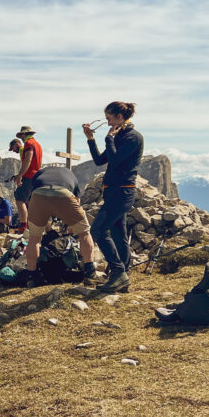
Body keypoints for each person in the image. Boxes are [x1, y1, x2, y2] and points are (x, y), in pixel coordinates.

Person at [83, 101, 144, 293]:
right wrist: (91, 139)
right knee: (119, 235)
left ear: (119, 117)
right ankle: (123, 278)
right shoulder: (121, 136)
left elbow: (116, 162)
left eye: (109, 119)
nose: (108, 124)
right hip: (114, 191)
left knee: (98, 230)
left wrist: (109, 139)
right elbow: (100, 160)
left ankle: (118, 271)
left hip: (122, 191)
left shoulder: (133, 137)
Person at [21, 164, 98, 285]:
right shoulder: (70, 174)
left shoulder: (39, 174)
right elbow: (77, 201)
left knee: (34, 238)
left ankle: (32, 276)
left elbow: (29, 200)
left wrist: (43, 224)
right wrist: (72, 225)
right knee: (84, 234)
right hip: (64, 193)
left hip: (39, 195)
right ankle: (90, 271)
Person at [12, 126, 43, 234]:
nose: (21, 138)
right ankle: (32, 224)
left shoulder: (28, 144)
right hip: (37, 176)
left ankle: (23, 227)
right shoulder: (38, 144)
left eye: (21, 136)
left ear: (24, 134)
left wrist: (20, 175)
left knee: (19, 199)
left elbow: (28, 159)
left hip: (29, 176)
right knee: (30, 201)